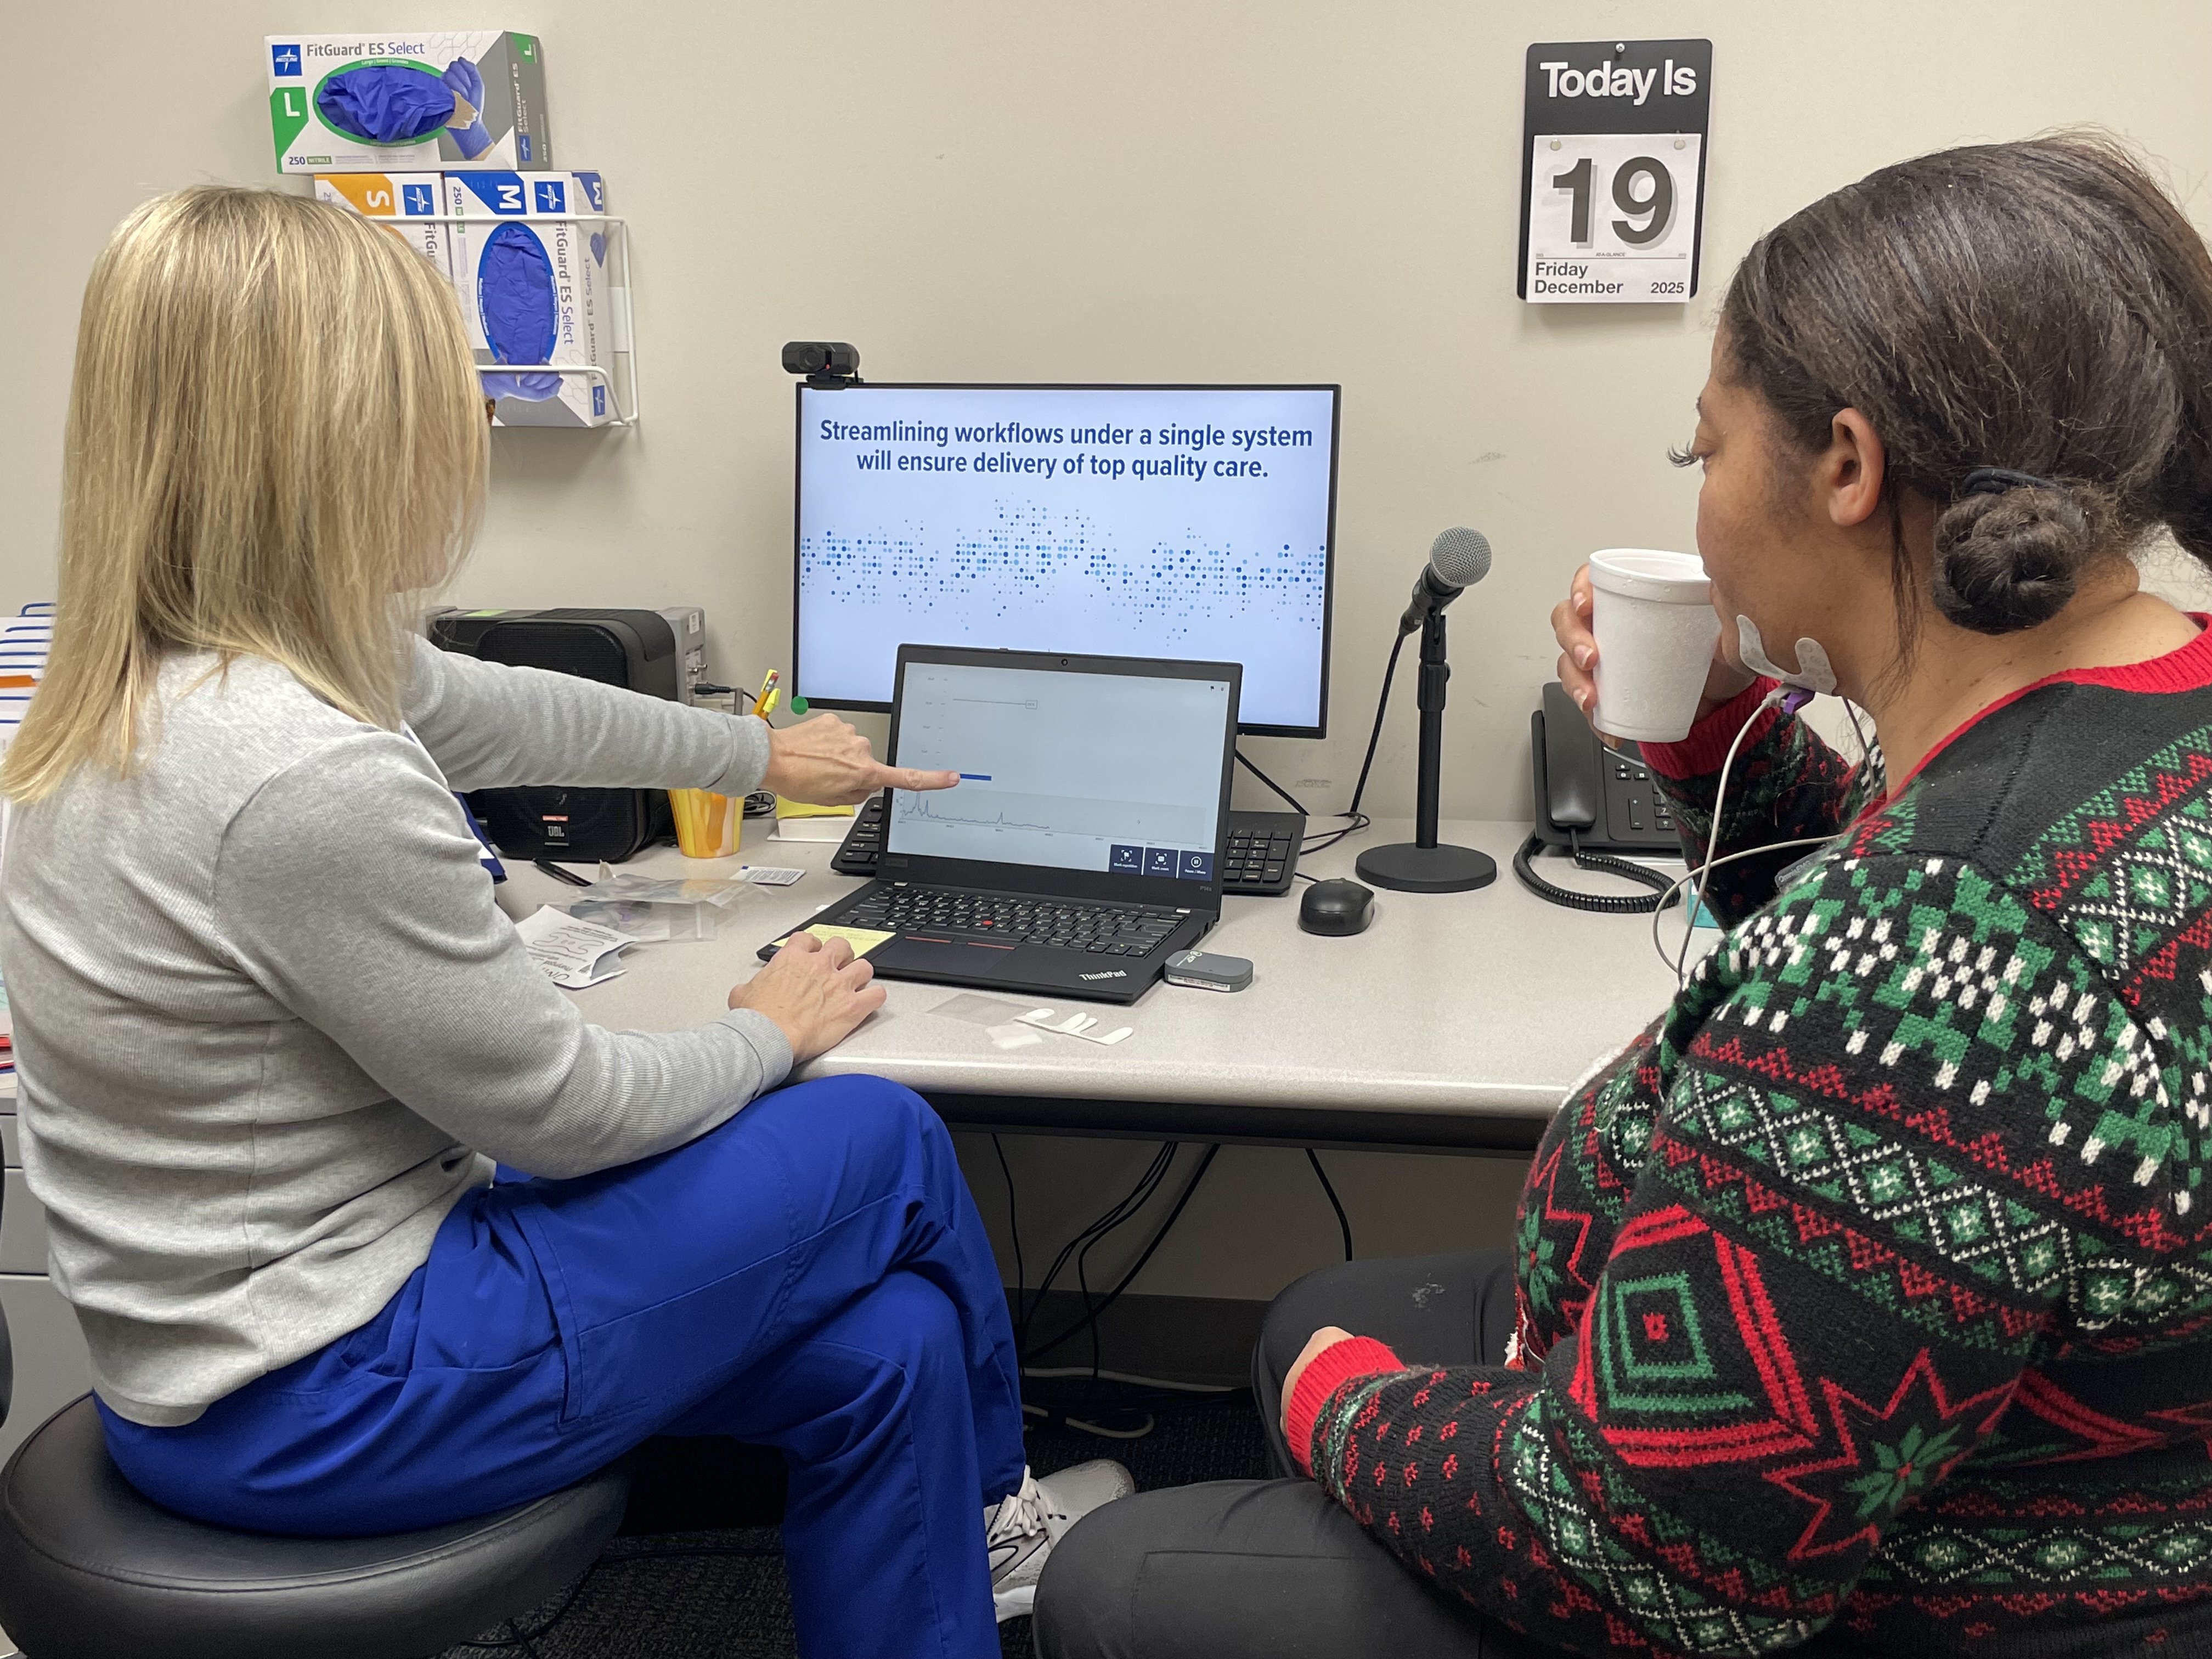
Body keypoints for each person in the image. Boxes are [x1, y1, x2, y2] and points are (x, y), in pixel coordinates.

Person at [1035, 133, 2212, 1658]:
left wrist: (1345, 1407)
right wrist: (1716, 733)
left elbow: (1645, 1560)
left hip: (1867, 1583)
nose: (1702, 494)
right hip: (1993, 1452)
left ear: (1847, 467)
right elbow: (1929, 974)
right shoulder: (2140, 708)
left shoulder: (1951, 929)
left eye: (1702, 449)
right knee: (1310, 1310)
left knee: (1125, 1569)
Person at [0, 185, 1130, 1659]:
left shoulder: (190, 680)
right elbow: (565, 1112)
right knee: (883, 1140)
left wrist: (757, 752)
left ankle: (959, 1586)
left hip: (259, 1350)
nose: (468, 428)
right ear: (339, 438)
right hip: (329, 1395)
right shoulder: (299, 769)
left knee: (891, 1349)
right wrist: (763, 1027)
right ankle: (998, 1526)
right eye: (436, 392)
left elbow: (509, 709)